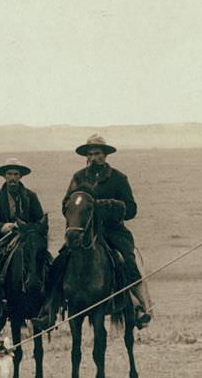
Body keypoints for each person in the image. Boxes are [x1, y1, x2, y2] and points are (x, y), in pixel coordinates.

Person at [37, 134, 152, 329]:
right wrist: (77, 211)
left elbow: (131, 209)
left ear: (105, 155)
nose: (94, 157)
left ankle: (138, 306)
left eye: (98, 153)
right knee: (59, 263)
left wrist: (105, 206)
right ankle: (49, 311)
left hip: (112, 232)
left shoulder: (118, 178)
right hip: (84, 233)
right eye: (90, 154)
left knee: (128, 261)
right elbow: (66, 204)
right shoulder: (78, 177)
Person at [0, 158, 45, 323]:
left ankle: (49, 307)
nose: (12, 178)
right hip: (3, 240)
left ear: (21, 177)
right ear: (4, 176)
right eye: (9, 174)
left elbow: (40, 220)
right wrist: (5, 226)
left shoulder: (31, 196)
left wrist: (29, 229)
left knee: (48, 262)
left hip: (28, 239)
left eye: (16, 174)